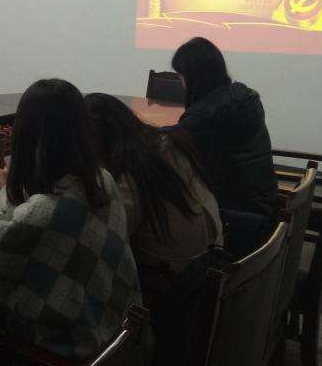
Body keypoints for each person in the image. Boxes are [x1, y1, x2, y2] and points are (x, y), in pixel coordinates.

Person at [0, 79, 142, 361]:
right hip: (119, 351)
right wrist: (9, 194)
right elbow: (34, 217)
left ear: (24, 137)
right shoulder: (101, 181)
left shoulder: (41, 216)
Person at [85, 93, 222, 276]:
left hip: (177, 281)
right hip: (214, 257)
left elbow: (100, 240)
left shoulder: (133, 176)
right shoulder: (169, 142)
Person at [171, 37, 278, 256]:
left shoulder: (205, 117)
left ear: (193, 78)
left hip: (240, 217)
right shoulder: (244, 97)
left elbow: (169, 147)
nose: (180, 84)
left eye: (180, 77)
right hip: (263, 200)